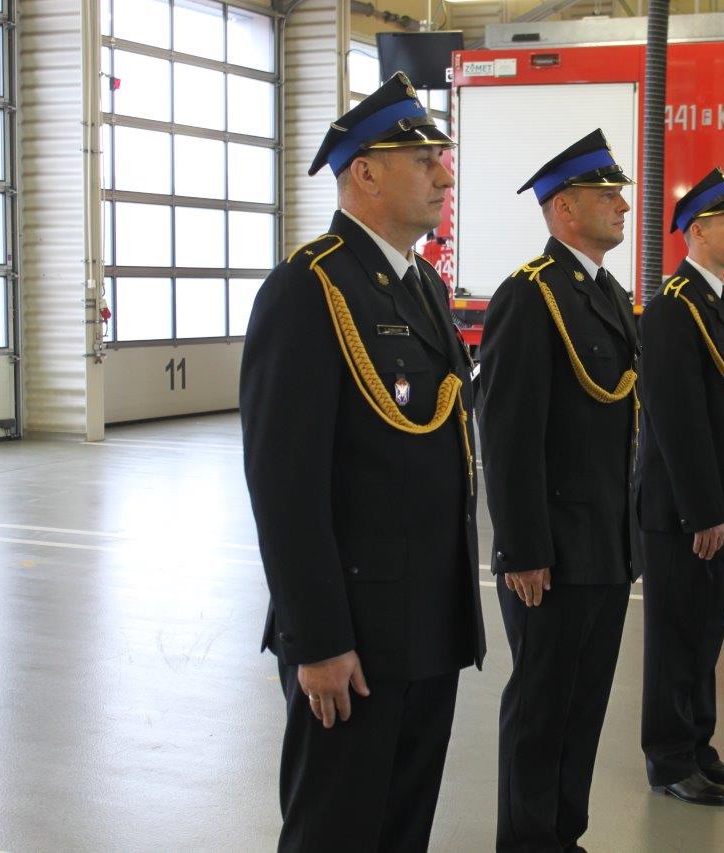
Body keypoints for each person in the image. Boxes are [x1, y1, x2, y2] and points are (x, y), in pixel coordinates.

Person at [239, 71, 485, 852]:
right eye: (425, 161)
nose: (443, 176)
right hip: (355, 633)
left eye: (440, 160)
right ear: (367, 173)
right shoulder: (310, 288)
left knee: (401, 830)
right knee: (335, 830)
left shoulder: (421, 287)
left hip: (427, 621)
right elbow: (285, 486)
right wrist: (316, 639)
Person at [478, 129, 639, 852]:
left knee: (584, 705)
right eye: (608, 196)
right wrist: (522, 548)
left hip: (606, 540)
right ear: (565, 208)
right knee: (542, 708)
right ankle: (526, 841)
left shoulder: (606, 294)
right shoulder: (531, 294)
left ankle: (562, 835)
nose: (624, 206)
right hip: (552, 549)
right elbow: (508, 433)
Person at [637, 168, 724, 807]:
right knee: (675, 636)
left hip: (717, 501)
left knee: (706, 631)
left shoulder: (716, 300)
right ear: (696, 232)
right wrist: (703, 511)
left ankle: (698, 746)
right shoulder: (673, 307)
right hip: (683, 510)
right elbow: (676, 418)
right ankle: (668, 758)